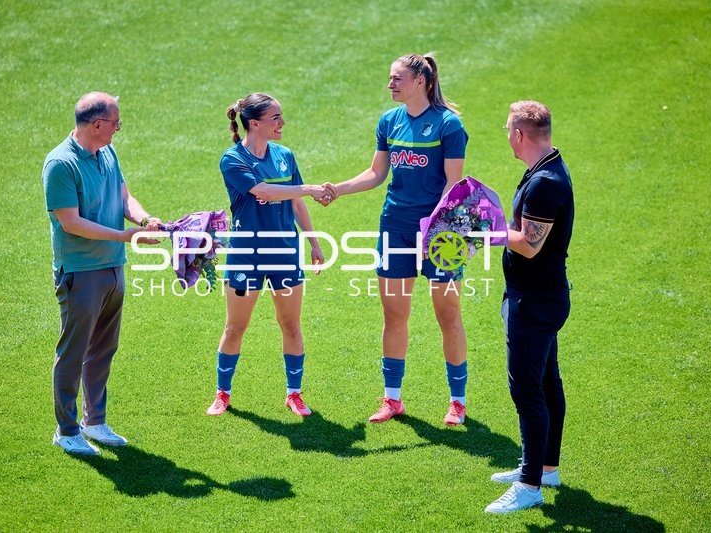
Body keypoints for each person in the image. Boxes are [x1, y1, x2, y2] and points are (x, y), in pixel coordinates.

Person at [320, 54, 470, 426]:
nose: (390, 84)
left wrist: (433, 226)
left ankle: (457, 401)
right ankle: (392, 399)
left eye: (396, 78)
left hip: (441, 232)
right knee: (394, 314)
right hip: (395, 227)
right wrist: (337, 189)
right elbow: (375, 173)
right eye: (390, 78)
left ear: (420, 81)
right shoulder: (389, 121)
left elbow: (454, 185)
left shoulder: (448, 125)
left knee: (447, 315)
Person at [42, 92, 161, 456]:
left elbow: (124, 196)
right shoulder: (61, 164)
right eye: (115, 123)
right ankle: (66, 429)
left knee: (104, 348)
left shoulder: (106, 153)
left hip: (112, 266)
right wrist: (125, 236)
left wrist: (143, 219)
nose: (118, 129)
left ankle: (95, 421)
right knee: (74, 352)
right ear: (97, 125)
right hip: (81, 271)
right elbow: (71, 222)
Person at [206, 93, 328, 417]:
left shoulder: (285, 156)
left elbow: (296, 204)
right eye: (276, 118)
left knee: (291, 324)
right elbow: (264, 191)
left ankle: (294, 394)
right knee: (235, 327)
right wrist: (309, 188)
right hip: (246, 256)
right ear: (255, 123)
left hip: (285, 254)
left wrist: (314, 243)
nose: (282, 123)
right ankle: (222, 393)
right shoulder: (233, 160)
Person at [485, 101, 574, 514]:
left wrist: (486, 230)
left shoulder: (545, 182)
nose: (506, 136)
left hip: (534, 302)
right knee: (546, 382)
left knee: (527, 391)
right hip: (540, 296)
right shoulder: (548, 169)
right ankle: (545, 467)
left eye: (507, 130)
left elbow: (531, 244)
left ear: (520, 135)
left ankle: (529, 484)